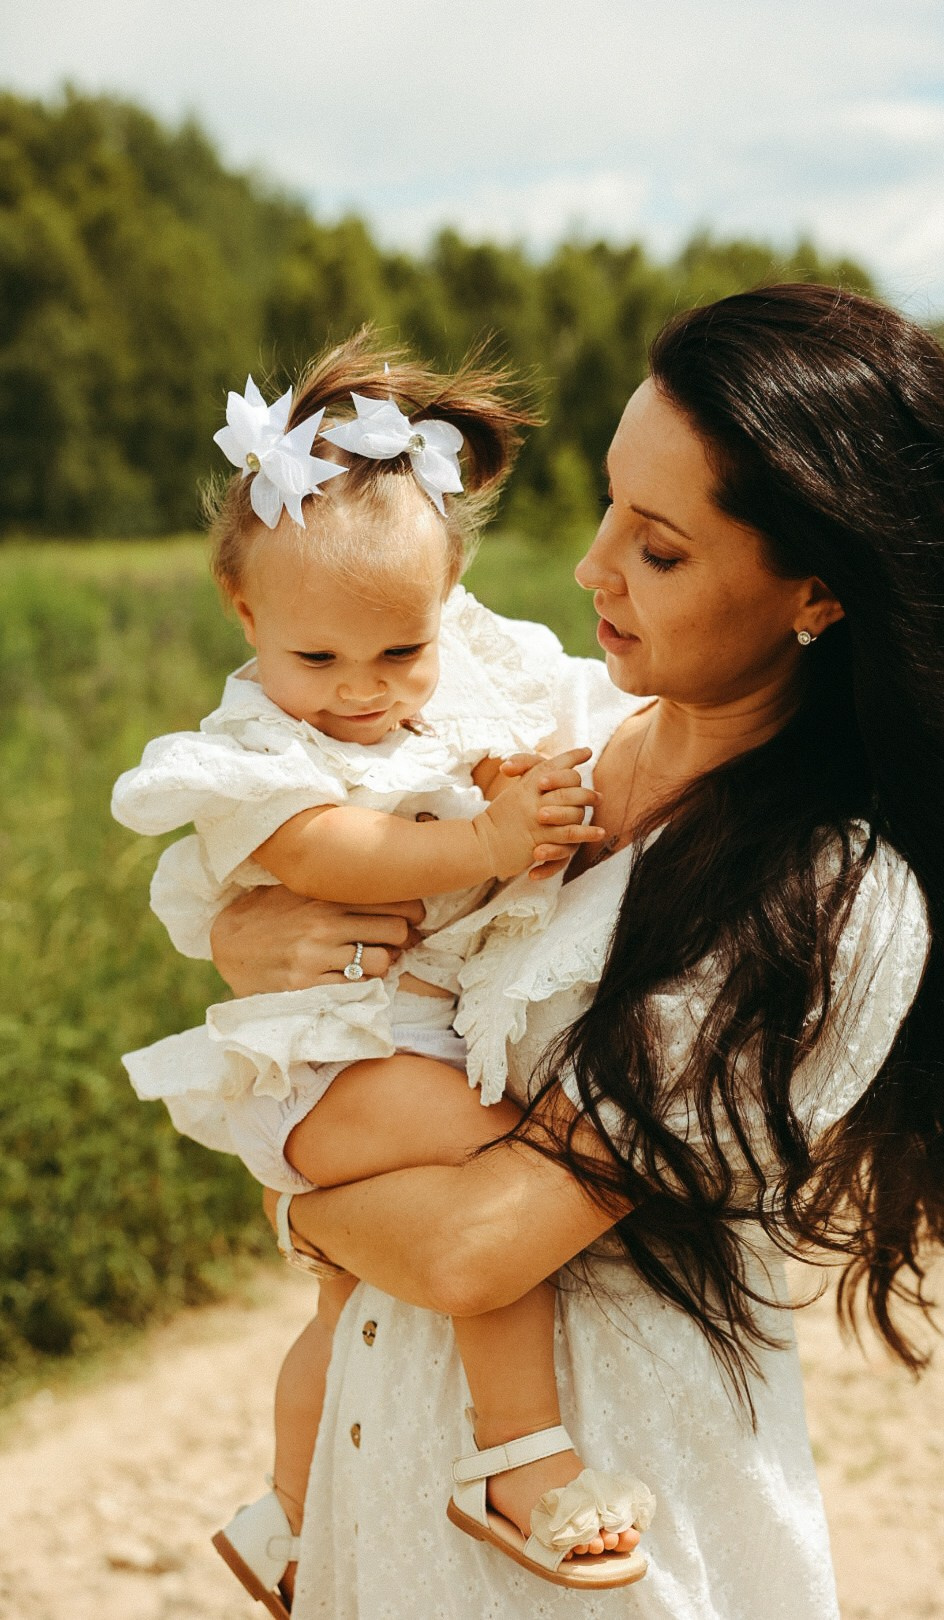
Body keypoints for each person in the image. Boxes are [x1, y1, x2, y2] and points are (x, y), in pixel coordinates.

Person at [209, 285, 944, 1619]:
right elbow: (329, 900)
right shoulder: (545, 712)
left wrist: (290, 1190)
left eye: (659, 549)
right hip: (383, 1492)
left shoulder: (824, 897)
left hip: (603, 1539)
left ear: (819, 592)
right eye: (610, 503)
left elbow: (468, 1255)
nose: (591, 565)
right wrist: (249, 927)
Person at [111, 334, 658, 1611]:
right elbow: (333, 848)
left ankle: (290, 1520)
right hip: (323, 1062)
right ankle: (521, 1464)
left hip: (387, 1039)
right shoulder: (248, 750)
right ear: (246, 617)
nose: (360, 694)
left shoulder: (464, 681)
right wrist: (481, 841)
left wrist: (511, 784)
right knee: (506, 1156)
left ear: (450, 598)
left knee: (340, 1311)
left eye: (398, 655)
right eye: (318, 661)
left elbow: (521, 747)